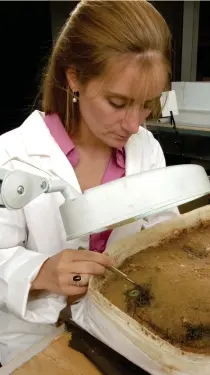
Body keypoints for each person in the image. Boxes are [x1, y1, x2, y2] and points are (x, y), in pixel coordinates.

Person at [0, 0, 179, 365]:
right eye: (118, 102)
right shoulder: (12, 156)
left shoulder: (146, 149)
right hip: (34, 339)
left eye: (147, 104)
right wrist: (41, 272)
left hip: (122, 326)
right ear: (75, 78)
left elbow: (166, 234)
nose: (134, 125)